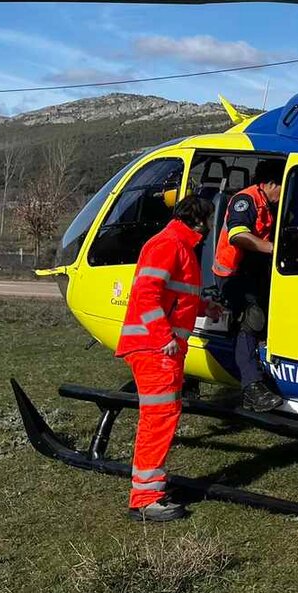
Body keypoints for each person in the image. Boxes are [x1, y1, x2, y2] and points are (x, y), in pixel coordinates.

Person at [115, 195, 216, 522]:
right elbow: (147, 294)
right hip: (155, 349)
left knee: (161, 418)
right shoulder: (170, 244)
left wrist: (205, 309)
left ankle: (149, 489)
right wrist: (165, 339)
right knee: (158, 420)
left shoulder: (180, 246)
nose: (213, 226)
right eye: (211, 218)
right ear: (200, 219)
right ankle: (145, 498)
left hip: (158, 348)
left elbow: (177, 297)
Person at [213, 159, 285, 412]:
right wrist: (273, 249)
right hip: (231, 274)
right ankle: (252, 387)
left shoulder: (271, 203)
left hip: (253, 272)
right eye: (282, 187)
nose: (283, 193)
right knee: (252, 319)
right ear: (270, 184)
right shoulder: (246, 200)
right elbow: (238, 235)